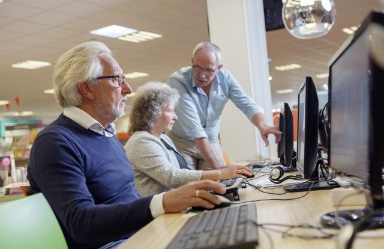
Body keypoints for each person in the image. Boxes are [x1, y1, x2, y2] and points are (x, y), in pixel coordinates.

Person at [26, 41, 227, 249]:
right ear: (86, 88)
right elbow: (81, 223)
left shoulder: (106, 134)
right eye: (116, 79)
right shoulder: (54, 142)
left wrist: (174, 207)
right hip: (113, 244)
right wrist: (163, 202)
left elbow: (127, 199)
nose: (128, 89)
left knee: (221, 235)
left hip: (140, 235)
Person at [124, 82, 253, 196]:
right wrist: (219, 174)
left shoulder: (163, 138)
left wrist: (222, 171)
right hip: (156, 215)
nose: (175, 117)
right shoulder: (141, 142)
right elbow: (171, 177)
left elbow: (182, 174)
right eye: (170, 111)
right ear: (152, 112)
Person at [168, 42, 282, 171]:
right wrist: (220, 171)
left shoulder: (226, 78)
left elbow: (247, 104)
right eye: (197, 67)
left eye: (209, 70)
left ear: (218, 68)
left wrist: (263, 126)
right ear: (192, 61)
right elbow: (195, 130)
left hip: (210, 141)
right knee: (189, 184)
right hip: (182, 142)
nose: (201, 75)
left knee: (222, 185)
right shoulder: (177, 81)